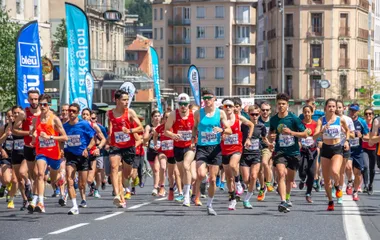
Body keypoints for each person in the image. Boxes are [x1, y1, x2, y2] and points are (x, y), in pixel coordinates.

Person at [192, 89, 232, 215]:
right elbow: (194, 127)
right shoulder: (198, 113)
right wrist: (193, 138)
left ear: (214, 99)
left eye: (209, 98)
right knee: (201, 174)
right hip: (202, 147)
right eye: (205, 98)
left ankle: (209, 204)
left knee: (213, 180)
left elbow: (229, 130)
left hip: (215, 148)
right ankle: (201, 186)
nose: (207, 100)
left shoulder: (220, 113)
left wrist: (221, 129)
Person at [269, 93, 309, 213]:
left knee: (290, 179)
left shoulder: (294, 118)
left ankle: (287, 197)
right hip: (280, 151)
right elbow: (270, 134)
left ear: (287, 105)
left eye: (283, 104)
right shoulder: (274, 119)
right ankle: (282, 201)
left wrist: (291, 132)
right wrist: (271, 137)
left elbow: (305, 134)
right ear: (276, 105)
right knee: (281, 173)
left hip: (293, 152)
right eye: (279, 104)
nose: (281, 106)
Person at [28, 94, 68, 213]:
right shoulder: (36, 119)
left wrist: (50, 137)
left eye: (45, 104)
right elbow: (33, 134)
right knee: (40, 174)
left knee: (54, 180)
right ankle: (40, 202)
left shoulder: (55, 119)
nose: (42, 107)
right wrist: (34, 136)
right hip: (42, 152)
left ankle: (60, 180)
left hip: (54, 153)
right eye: (40, 105)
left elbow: (65, 137)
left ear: (49, 105)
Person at [107, 90, 143, 207]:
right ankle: (117, 195)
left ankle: (124, 188)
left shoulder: (130, 112)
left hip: (129, 146)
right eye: (124, 100)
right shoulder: (110, 114)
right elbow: (110, 127)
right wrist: (109, 138)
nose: (126, 102)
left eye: (127, 99)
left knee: (126, 175)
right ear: (117, 100)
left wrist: (130, 131)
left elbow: (140, 128)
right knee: (114, 167)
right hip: (115, 145)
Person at [313, 98, 349, 211]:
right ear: (325, 108)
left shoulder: (340, 119)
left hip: (337, 148)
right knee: (327, 180)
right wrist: (322, 130)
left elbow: (347, 131)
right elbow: (314, 136)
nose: (332, 108)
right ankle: (330, 201)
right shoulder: (321, 120)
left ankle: (337, 186)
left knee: (335, 171)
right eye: (330, 106)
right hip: (326, 149)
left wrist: (346, 141)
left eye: (334, 106)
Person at [220, 98, 254, 210]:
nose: (228, 108)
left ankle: (238, 182)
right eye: (226, 106)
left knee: (233, 165)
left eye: (230, 106)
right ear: (223, 108)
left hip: (236, 148)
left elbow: (251, 125)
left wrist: (248, 138)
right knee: (229, 178)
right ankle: (232, 198)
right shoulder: (220, 120)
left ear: (234, 107)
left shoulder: (238, 118)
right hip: (224, 150)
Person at [63, 103, 96, 215]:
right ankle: (74, 206)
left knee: (82, 184)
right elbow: (61, 139)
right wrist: (61, 149)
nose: (71, 113)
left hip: (83, 156)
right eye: (69, 111)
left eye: (73, 111)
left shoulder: (84, 124)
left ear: (77, 113)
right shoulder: (65, 126)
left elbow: (93, 139)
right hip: (70, 155)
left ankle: (83, 198)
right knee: (69, 179)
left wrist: (87, 149)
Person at [165, 93, 195, 206]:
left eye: (185, 104)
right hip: (178, 147)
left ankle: (186, 197)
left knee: (187, 167)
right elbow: (166, 130)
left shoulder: (193, 115)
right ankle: (186, 189)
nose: (183, 106)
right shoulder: (173, 114)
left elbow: (198, 129)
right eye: (181, 104)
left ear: (189, 105)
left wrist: (194, 139)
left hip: (190, 146)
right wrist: (172, 135)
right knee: (182, 173)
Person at [13, 90, 41, 208]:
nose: (34, 102)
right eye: (32, 99)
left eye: (36, 99)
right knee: (32, 174)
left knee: (39, 173)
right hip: (29, 147)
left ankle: (36, 199)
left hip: (41, 147)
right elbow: (15, 130)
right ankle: (33, 193)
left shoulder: (43, 112)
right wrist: (28, 133)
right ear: (28, 100)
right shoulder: (24, 113)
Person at [241, 105, 269, 208]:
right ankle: (251, 186)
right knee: (246, 179)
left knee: (253, 176)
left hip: (256, 154)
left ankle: (247, 199)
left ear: (259, 114)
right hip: (245, 155)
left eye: (257, 114)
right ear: (249, 114)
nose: (255, 116)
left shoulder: (261, 126)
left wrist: (269, 144)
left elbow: (264, 138)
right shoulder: (244, 125)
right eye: (252, 114)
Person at [81, 108, 106, 200]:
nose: (85, 116)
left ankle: (95, 188)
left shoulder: (94, 126)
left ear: (90, 116)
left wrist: (98, 148)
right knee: (83, 179)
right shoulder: (78, 125)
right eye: (83, 114)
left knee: (89, 179)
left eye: (87, 114)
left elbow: (103, 139)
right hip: (81, 154)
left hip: (92, 153)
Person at [347, 103, 369, 201]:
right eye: (351, 110)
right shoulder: (345, 120)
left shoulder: (362, 122)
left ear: (358, 111)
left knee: (358, 173)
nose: (352, 112)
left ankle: (355, 191)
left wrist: (361, 136)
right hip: (347, 149)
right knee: (348, 167)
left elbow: (368, 137)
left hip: (358, 150)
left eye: (354, 110)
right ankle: (349, 181)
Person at [335, 100, 355, 204]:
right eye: (336, 107)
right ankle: (335, 185)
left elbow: (353, 135)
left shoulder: (348, 120)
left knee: (342, 171)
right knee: (334, 170)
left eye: (339, 107)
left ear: (343, 108)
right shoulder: (331, 119)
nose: (337, 109)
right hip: (333, 147)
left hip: (344, 146)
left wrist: (345, 131)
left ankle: (340, 192)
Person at [299, 105, 318, 203]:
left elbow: (317, 136)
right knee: (302, 170)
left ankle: (308, 193)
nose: (307, 114)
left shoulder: (315, 124)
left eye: (308, 112)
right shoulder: (300, 124)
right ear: (303, 113)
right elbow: (298, 137)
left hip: (312, 151)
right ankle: (302, 179)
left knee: (311, 172)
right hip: (302, 150)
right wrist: (299, 145)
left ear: (312, 113)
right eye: (305, 112)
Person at [144, 110, 163, 196]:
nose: (157, 118)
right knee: (155, 170)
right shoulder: (149, 127)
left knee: (156, 169)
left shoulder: (163, 126)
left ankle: (155, 187)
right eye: (155, 116)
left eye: (158, 116)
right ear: (152, 118)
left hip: (160, 151)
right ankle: (159, 185)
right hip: (151, 150)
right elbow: (144, 139)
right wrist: (151, 134)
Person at [90, 111, 109, 196]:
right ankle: (93, 186)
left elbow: (105, 139)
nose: (92, 120)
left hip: (99, 151)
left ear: (96, 119)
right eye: (91, 118)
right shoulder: (84, 127)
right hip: (88, 151)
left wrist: (100, 144)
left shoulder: (100, 127)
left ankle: (97, 187)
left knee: (98, 170)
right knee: (90, 172)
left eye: (93, 118)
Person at [258, 101, 275, 192]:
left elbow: (278, 132)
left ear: (270, 111)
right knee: (259, 170)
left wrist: (274, 136)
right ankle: (262, 187)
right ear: (260, 111)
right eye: (263, 110)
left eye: (267, 110)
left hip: (268, 147)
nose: (265, 112)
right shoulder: (256, 120)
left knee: (265, 163)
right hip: (257, 146)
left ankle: (268, 183)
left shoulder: (273, 121)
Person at [0, 110, 15, 207]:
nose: (11, 118)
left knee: (14, 179)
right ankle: (4, 185)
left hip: (18, 155)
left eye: (12, 116)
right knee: (6, 179)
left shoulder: (19, 127)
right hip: (6, 155)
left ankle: (11, 200)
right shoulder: (3, 127)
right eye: (9, 116)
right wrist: (2, 150)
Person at [362, 107, 376, 195]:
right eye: (366, 114)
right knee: (366, 166)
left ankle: (370, 184)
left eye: (370, 114)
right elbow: (362, 137)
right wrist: (372, 139)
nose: (368, 115)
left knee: (372, 169)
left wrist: (369, 138)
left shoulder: (376, 125)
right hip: (364, 149)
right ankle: (366, 184)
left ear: (373, 115)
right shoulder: (363, 125)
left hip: (374, 149)